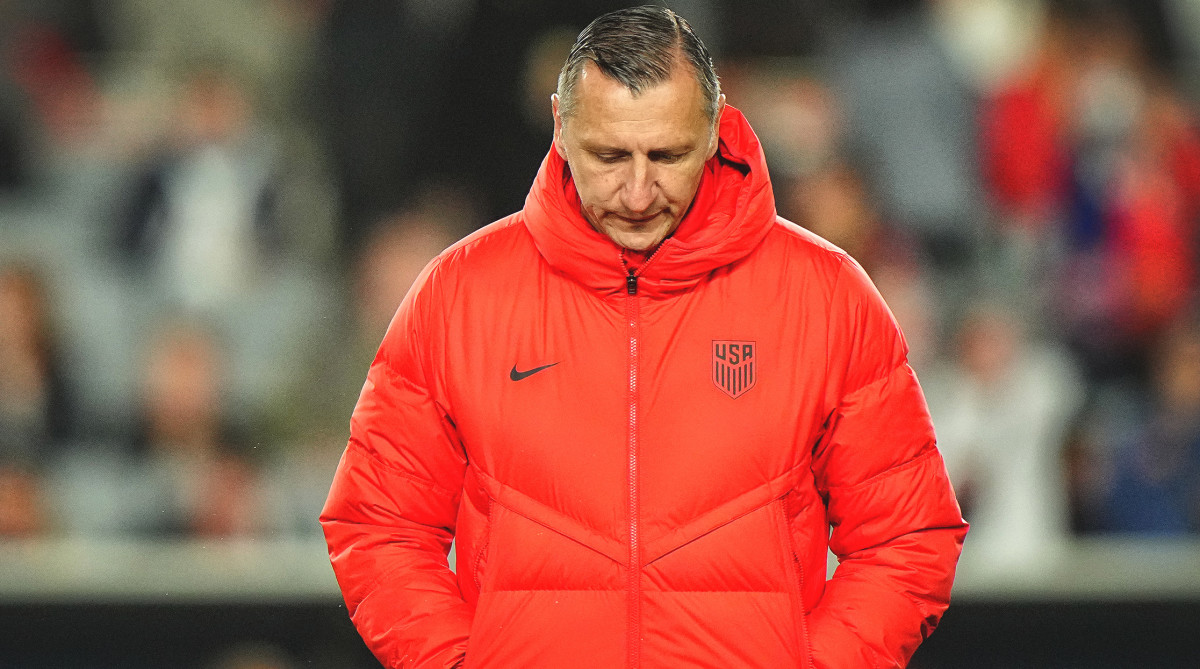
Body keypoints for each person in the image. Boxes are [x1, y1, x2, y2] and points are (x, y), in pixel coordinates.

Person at [320, 6, 967, 668]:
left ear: (714, 133)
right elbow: (376, 523)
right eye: (608, 155)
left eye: (667, 155)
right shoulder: (459, 296)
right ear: (560, 128)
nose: (636, 191)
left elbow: (908, 535)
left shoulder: (825, 296)